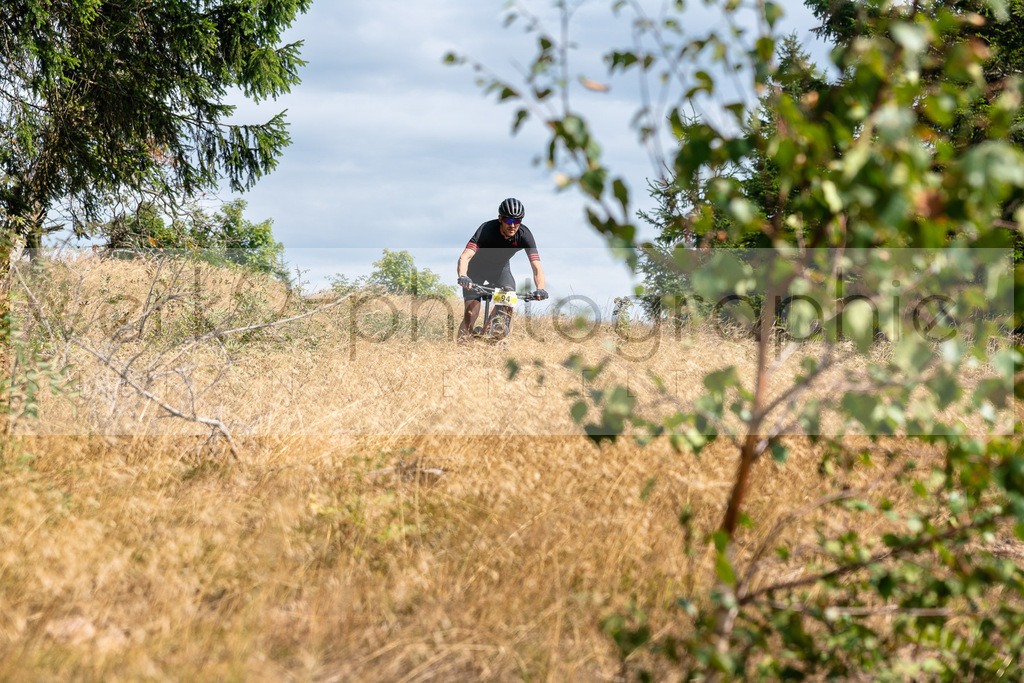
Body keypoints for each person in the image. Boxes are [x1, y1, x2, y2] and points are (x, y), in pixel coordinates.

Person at [456, 197, 548, 341]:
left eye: (517, 221)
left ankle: (497, 336)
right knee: (470, 312)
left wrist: (541, 288)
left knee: (508, 301)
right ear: (500, 218)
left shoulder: (524, 235)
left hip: (500, 271)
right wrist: (463, 276)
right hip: (476, 270)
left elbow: (537, 268)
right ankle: (461, 350)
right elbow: (465, 257)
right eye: (509, 221)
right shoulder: (486, 229)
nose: (513, 225)